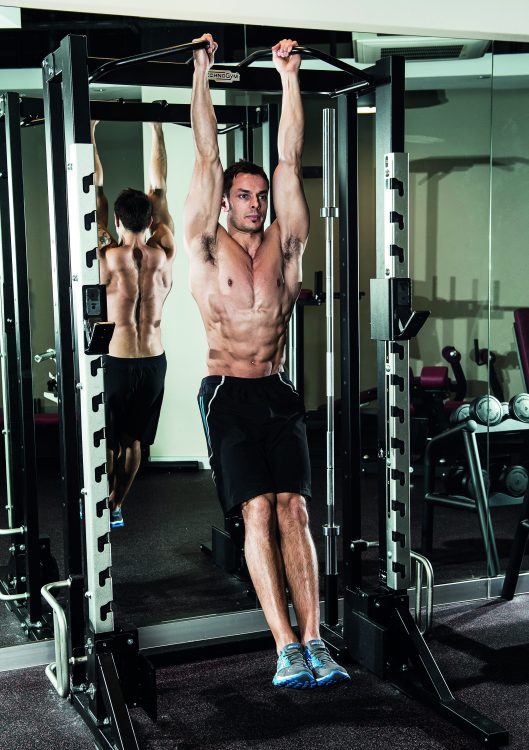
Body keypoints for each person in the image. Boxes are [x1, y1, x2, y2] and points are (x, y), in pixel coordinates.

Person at [184, 34, 350, 689]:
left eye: (259, 195)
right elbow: (205, 151)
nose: (254, 202)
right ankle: (283, 646)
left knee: (295, 511)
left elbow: (290, 155)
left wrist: (288, 75)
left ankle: (315, 642)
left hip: (278, 390)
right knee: (255, 510)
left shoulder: (287, 244)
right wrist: (201, 74)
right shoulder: (204, 242)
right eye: (243, 195)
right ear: (225, 201)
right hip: (227, 391)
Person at [92, 120, 176, 528]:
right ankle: (117, 504)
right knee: (135, 441)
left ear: (121, 222)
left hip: (119, 361)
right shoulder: (165, 250)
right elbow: (158, 187)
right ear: (149, 221)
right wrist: (157, 129)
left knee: (108, 439)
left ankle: (100, 505)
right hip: (154, 360)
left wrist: (89, 133)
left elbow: (95, 192)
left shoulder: (107, 256)